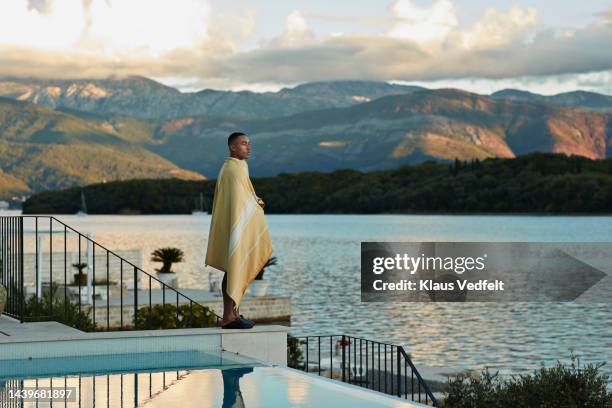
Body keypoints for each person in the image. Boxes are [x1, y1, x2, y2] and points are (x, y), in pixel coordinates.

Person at [205, 132, 273, 329]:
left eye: (249, 144)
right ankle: (228, 317)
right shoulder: (232, 170)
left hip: (237, 224)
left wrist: (254, 200)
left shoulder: (239, 166)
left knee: (234, 267)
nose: (248, 147)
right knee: (233, 267)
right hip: (235, 225)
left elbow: (243, 196)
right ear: (233, 147)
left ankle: (233, 313)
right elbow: (238, 202)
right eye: (243, 144)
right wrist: (256, 203)